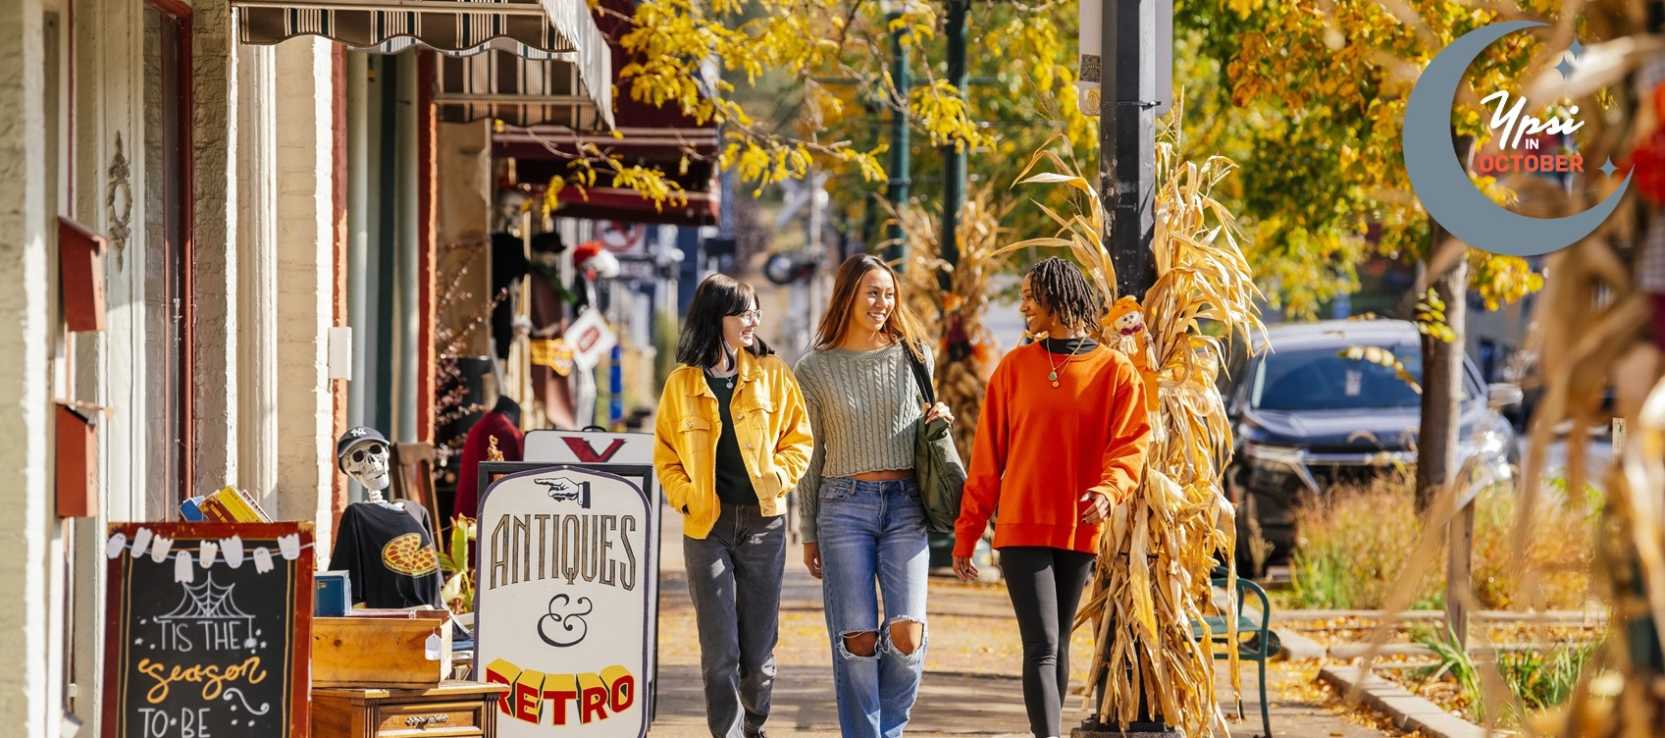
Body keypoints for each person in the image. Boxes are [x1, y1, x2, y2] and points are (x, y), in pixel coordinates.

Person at [952, 257, 1152, 738]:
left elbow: (1131, 445)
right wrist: (968, 533)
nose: (1023, 306)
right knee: (1040, 643)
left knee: (1060, 643)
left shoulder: (1115, 372)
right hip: (1021, 526)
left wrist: (1109, 491)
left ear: (1057, 300)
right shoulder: (1015, 368)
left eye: (1029, 297)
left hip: (1080, 525)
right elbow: (986, 460)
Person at [794, 254, 953, 738]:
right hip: (843, 507)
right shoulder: (814, 369)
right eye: (872, 292)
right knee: (858, 638)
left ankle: (889, 730)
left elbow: (927, 433)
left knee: (907, 634)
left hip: (906, 504)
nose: (882, 303)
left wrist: (938, 417)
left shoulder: (915, 354)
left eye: (888, 293)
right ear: (847, 295)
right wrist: (808, 532)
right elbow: (809, 457)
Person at [653, 274, 814, 738]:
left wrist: (778, 477)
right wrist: (685, 496)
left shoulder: (773, 373)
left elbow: (799, 441)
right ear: (715, 318)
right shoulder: (681, 384)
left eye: (755, 311)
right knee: (719, 651)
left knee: (759, 652)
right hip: (707, 527)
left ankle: (756, 725)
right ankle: (727, 732)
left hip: (764, 524)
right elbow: (665, 456)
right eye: (743, 312)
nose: (753, 320)